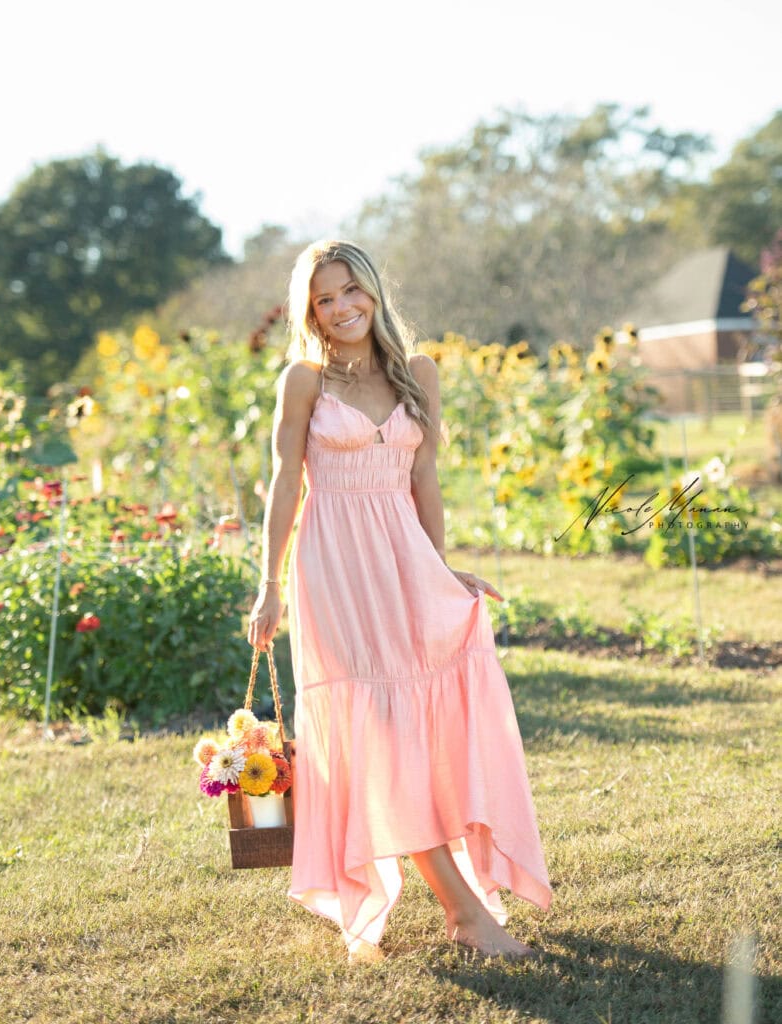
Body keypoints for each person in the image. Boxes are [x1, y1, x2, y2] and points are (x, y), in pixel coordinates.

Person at [248, 239, 552, 965]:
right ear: (310, 312)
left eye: (351, 290)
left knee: (427, 730)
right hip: (336, 571)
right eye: (325, 298)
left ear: (374, 291)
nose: (343, 306)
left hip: (405, 561)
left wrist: (442, 573)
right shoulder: (304, 381)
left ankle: (464, 902)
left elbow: (426, 482)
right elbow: (285, 484)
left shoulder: (419, 373)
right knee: (380, 735)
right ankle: (466, 913)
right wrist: (270, 586)